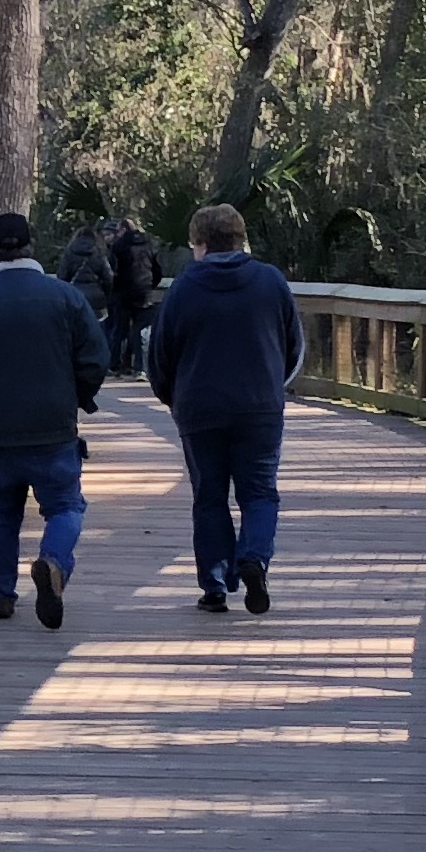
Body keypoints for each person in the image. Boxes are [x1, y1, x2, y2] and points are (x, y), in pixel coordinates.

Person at [0, 208, 107, 627]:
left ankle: (0, 593)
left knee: (3, 513)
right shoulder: (65, 298)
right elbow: (96, 357)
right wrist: (79, 396)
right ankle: (54, 562)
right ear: (31, 246)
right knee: (65, 506)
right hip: (52, 429)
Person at [147, 202, 302, 615]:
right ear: (241, 239)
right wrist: (273, 386)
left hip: (200, 410)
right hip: (260, 408)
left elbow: (160, 355)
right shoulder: (271, 282)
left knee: (209, 496)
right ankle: (254, 558)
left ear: (199, 244)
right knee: (260, 492)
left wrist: (172, 398)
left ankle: (215, 585)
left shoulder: (183, 289)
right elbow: (294, 346)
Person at [102, 216, 160, 373]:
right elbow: (157, 270)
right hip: (144, 292)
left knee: (119, 330)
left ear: (123, 230)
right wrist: (150, 285)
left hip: (123, 293)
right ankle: (140, 367)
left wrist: (114, 288)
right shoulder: (149, 244)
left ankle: (114, 364)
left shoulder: (119, 245)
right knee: (141, 330)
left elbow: (112, 271)